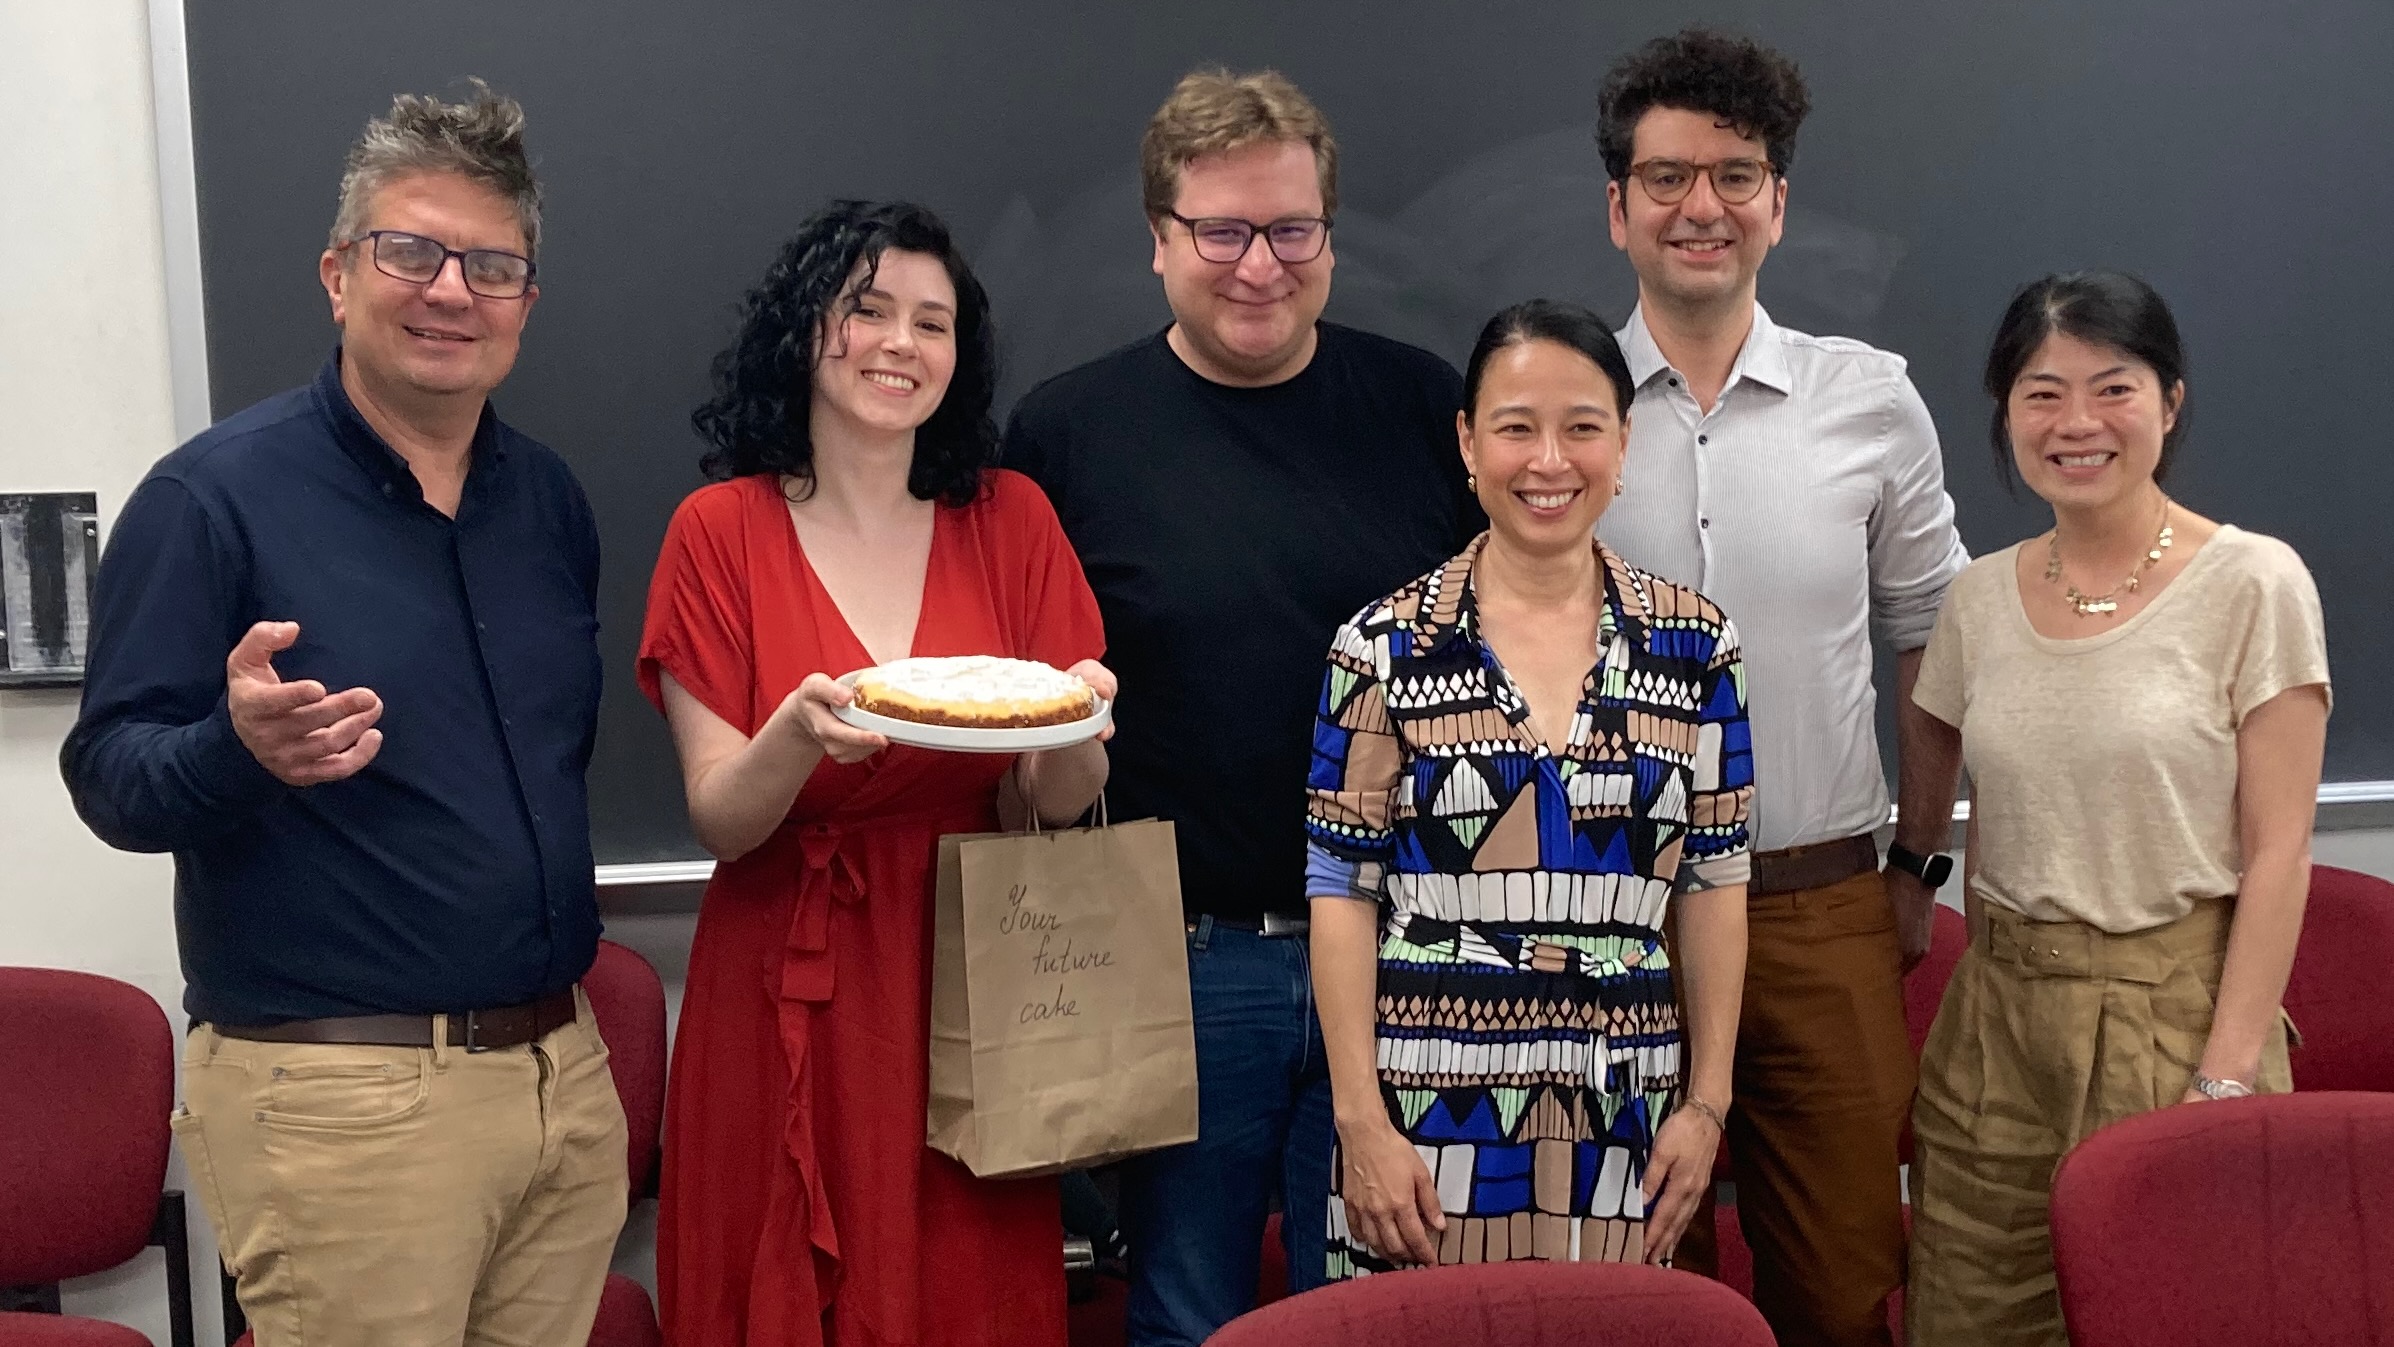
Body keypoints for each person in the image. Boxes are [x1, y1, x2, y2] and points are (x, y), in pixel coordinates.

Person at [61, 83, 627, 1345]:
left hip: (559, 1083)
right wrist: (234, 751)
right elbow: (108, 773)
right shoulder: (212, 501)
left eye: (491, 265)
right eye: (409, 251)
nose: (448, 290)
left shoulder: (548, 505)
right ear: (337, 272)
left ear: (525, 303)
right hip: (340, 1098)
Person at [1002, 69, 1480, 1344]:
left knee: (1381, 1313)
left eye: (1291, 229)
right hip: (1176, 958)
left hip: (1409, 955)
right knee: (1182, 1311)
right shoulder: (1064, 436)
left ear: (1330, 233)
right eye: (1220, 231)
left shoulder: (1431, 410)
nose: (1258, 265)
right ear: (1160, 241)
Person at [640, 199, 1111, 1347]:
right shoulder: (717, 531)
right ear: (808, 331)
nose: (901, 343)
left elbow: (1055, 801)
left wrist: (1074, 723)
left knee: (966, 1294)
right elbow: (722, 819)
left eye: (933, 323)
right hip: (782, 974)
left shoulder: (1011, 520)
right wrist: (795, 736)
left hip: (974, 976)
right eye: (869, 310)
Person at [1589, 30, 1970, 1347]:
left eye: (1734, 175)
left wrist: (1918, 863)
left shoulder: (1868, 401)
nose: (1701, 205)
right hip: (1606, 916)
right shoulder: (1555, 409)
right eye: (1667, 177)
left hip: (1818, 905)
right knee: (1641, 1287)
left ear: (1777, 202)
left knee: (1849, 1280)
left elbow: (1933, 639)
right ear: (1617, 205)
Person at [1905, 271, 2329, 1346]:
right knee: (1968, 1320)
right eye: (2043, 393)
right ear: (2006, 412)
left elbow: (2279, 854)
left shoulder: (2253, 583)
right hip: (1997, 1022)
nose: (2077, 423)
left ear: (2169, 401)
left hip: (2172, 1018)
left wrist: (2226, 1078)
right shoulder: (1977, 598)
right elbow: (1963, 767)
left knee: (2181, 1316)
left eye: (2113, 387)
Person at [1306, 300, 1752, 1279]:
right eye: (1516, 427)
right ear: (1469, 442)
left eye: (1582, 427)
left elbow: (1714, 886)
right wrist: (1361, 1125)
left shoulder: (1694, 647)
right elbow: (1340, 893)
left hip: (1624, 1107)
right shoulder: (1382, 645)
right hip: (1424, 1113)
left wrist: (1707, 1103)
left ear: (1623, 443)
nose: (1550, 460)